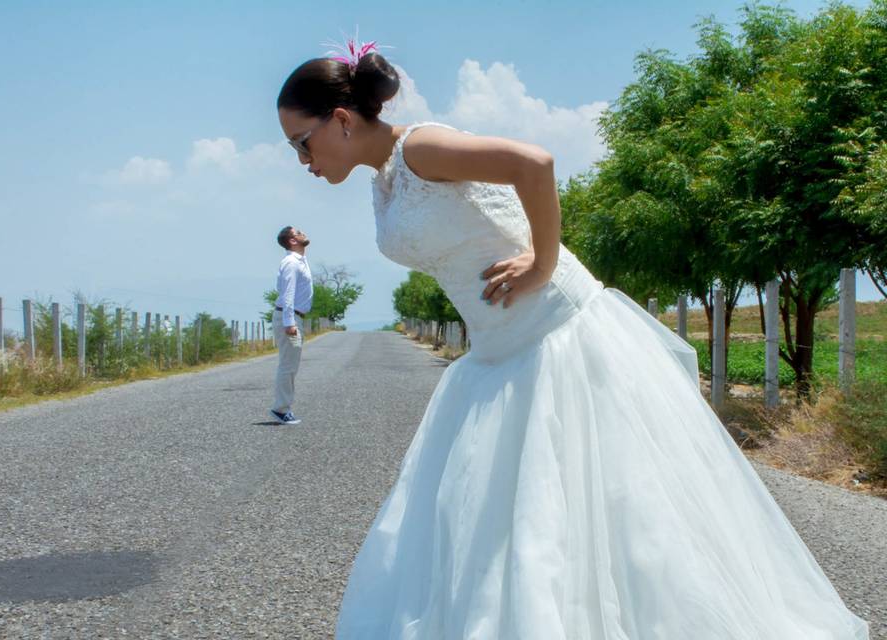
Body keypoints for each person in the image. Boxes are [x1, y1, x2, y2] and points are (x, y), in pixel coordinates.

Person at [276, 41, 871, 640]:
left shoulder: (422, 147)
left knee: (615, 510)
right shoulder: (382, 180)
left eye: (302, 142)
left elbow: (533, 163)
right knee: (518, 522)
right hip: (496, 354)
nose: (302, 158)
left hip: (557, 336)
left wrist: (540, 263)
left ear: (343, 120)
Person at [270, 225, 313, 425]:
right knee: (288, 365)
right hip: (290, 318)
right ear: (292, 241)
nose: (303, 233)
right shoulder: (291, 263)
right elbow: (287, 294)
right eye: (298, 232)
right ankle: (281, 409)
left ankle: (284, 407)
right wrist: (290, 322)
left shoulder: (300, 261)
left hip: (295, 317)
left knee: (291, 365)